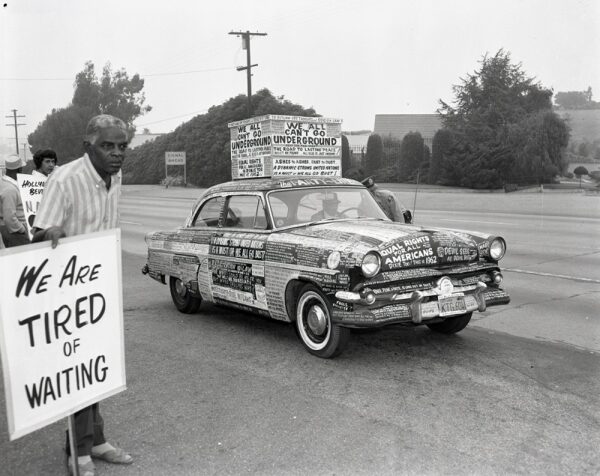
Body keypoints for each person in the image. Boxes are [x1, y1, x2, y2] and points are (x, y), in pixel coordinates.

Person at [31, 115, 133, 476]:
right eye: (108, 146)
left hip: (99, 284)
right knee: (76, 369)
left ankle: (97, 440)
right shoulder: (65, 179)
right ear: (87, 146)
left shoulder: (114, 175)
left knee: (96, 368)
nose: (117, 154)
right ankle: (77, 452)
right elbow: (38, 235)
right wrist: (51, 232)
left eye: (122, 146)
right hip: (67, 291)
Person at [0, 155, 30, 247]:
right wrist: (22, 229)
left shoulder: (4, 183)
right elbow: (9, 217)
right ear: (19, 169)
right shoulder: (10, 189)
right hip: (15, 232)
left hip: (10, 229)